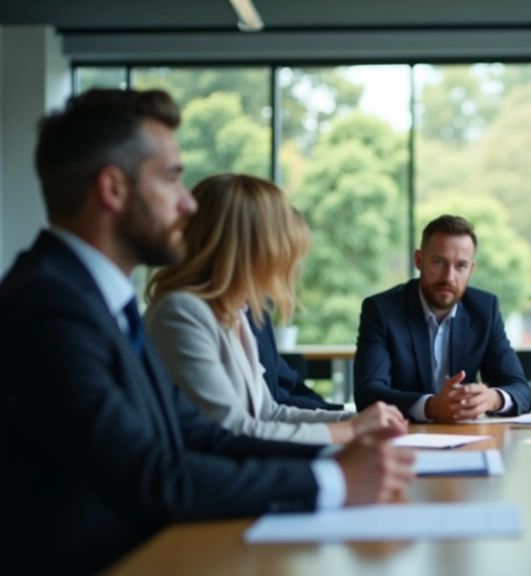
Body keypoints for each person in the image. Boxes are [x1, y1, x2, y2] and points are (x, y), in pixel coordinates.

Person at [0, 89, 415, 574]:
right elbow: (151, 473)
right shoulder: (50, 306)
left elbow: (202, 436)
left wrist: (339, 454)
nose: (188, 205)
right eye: (172, 179)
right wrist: (333, 481)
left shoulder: (99, 301)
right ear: (113, 189)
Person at [145, 173, 405, 445]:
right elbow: (231, 430)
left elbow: (269, 413)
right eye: (284, 250)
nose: (288, 266)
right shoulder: (181, 313)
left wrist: (353, 420)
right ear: (252, 251)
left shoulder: (236, 314)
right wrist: (350, 432)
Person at [354, 215, 531, 422]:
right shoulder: (382, 311)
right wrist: (430, 406)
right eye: (439, 262)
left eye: (461, 266)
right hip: (402, 438)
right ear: (419, 260)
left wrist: (492, 399)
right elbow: (367, 393)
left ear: (471, 269)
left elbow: (521, 389)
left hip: (466, 440)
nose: (449, 277)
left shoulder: (484, 310)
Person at [248, 306, 346, 410]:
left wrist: (334, 411)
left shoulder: (259, 314)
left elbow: (292, 382)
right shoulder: (250, 315)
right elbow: (274, 402)